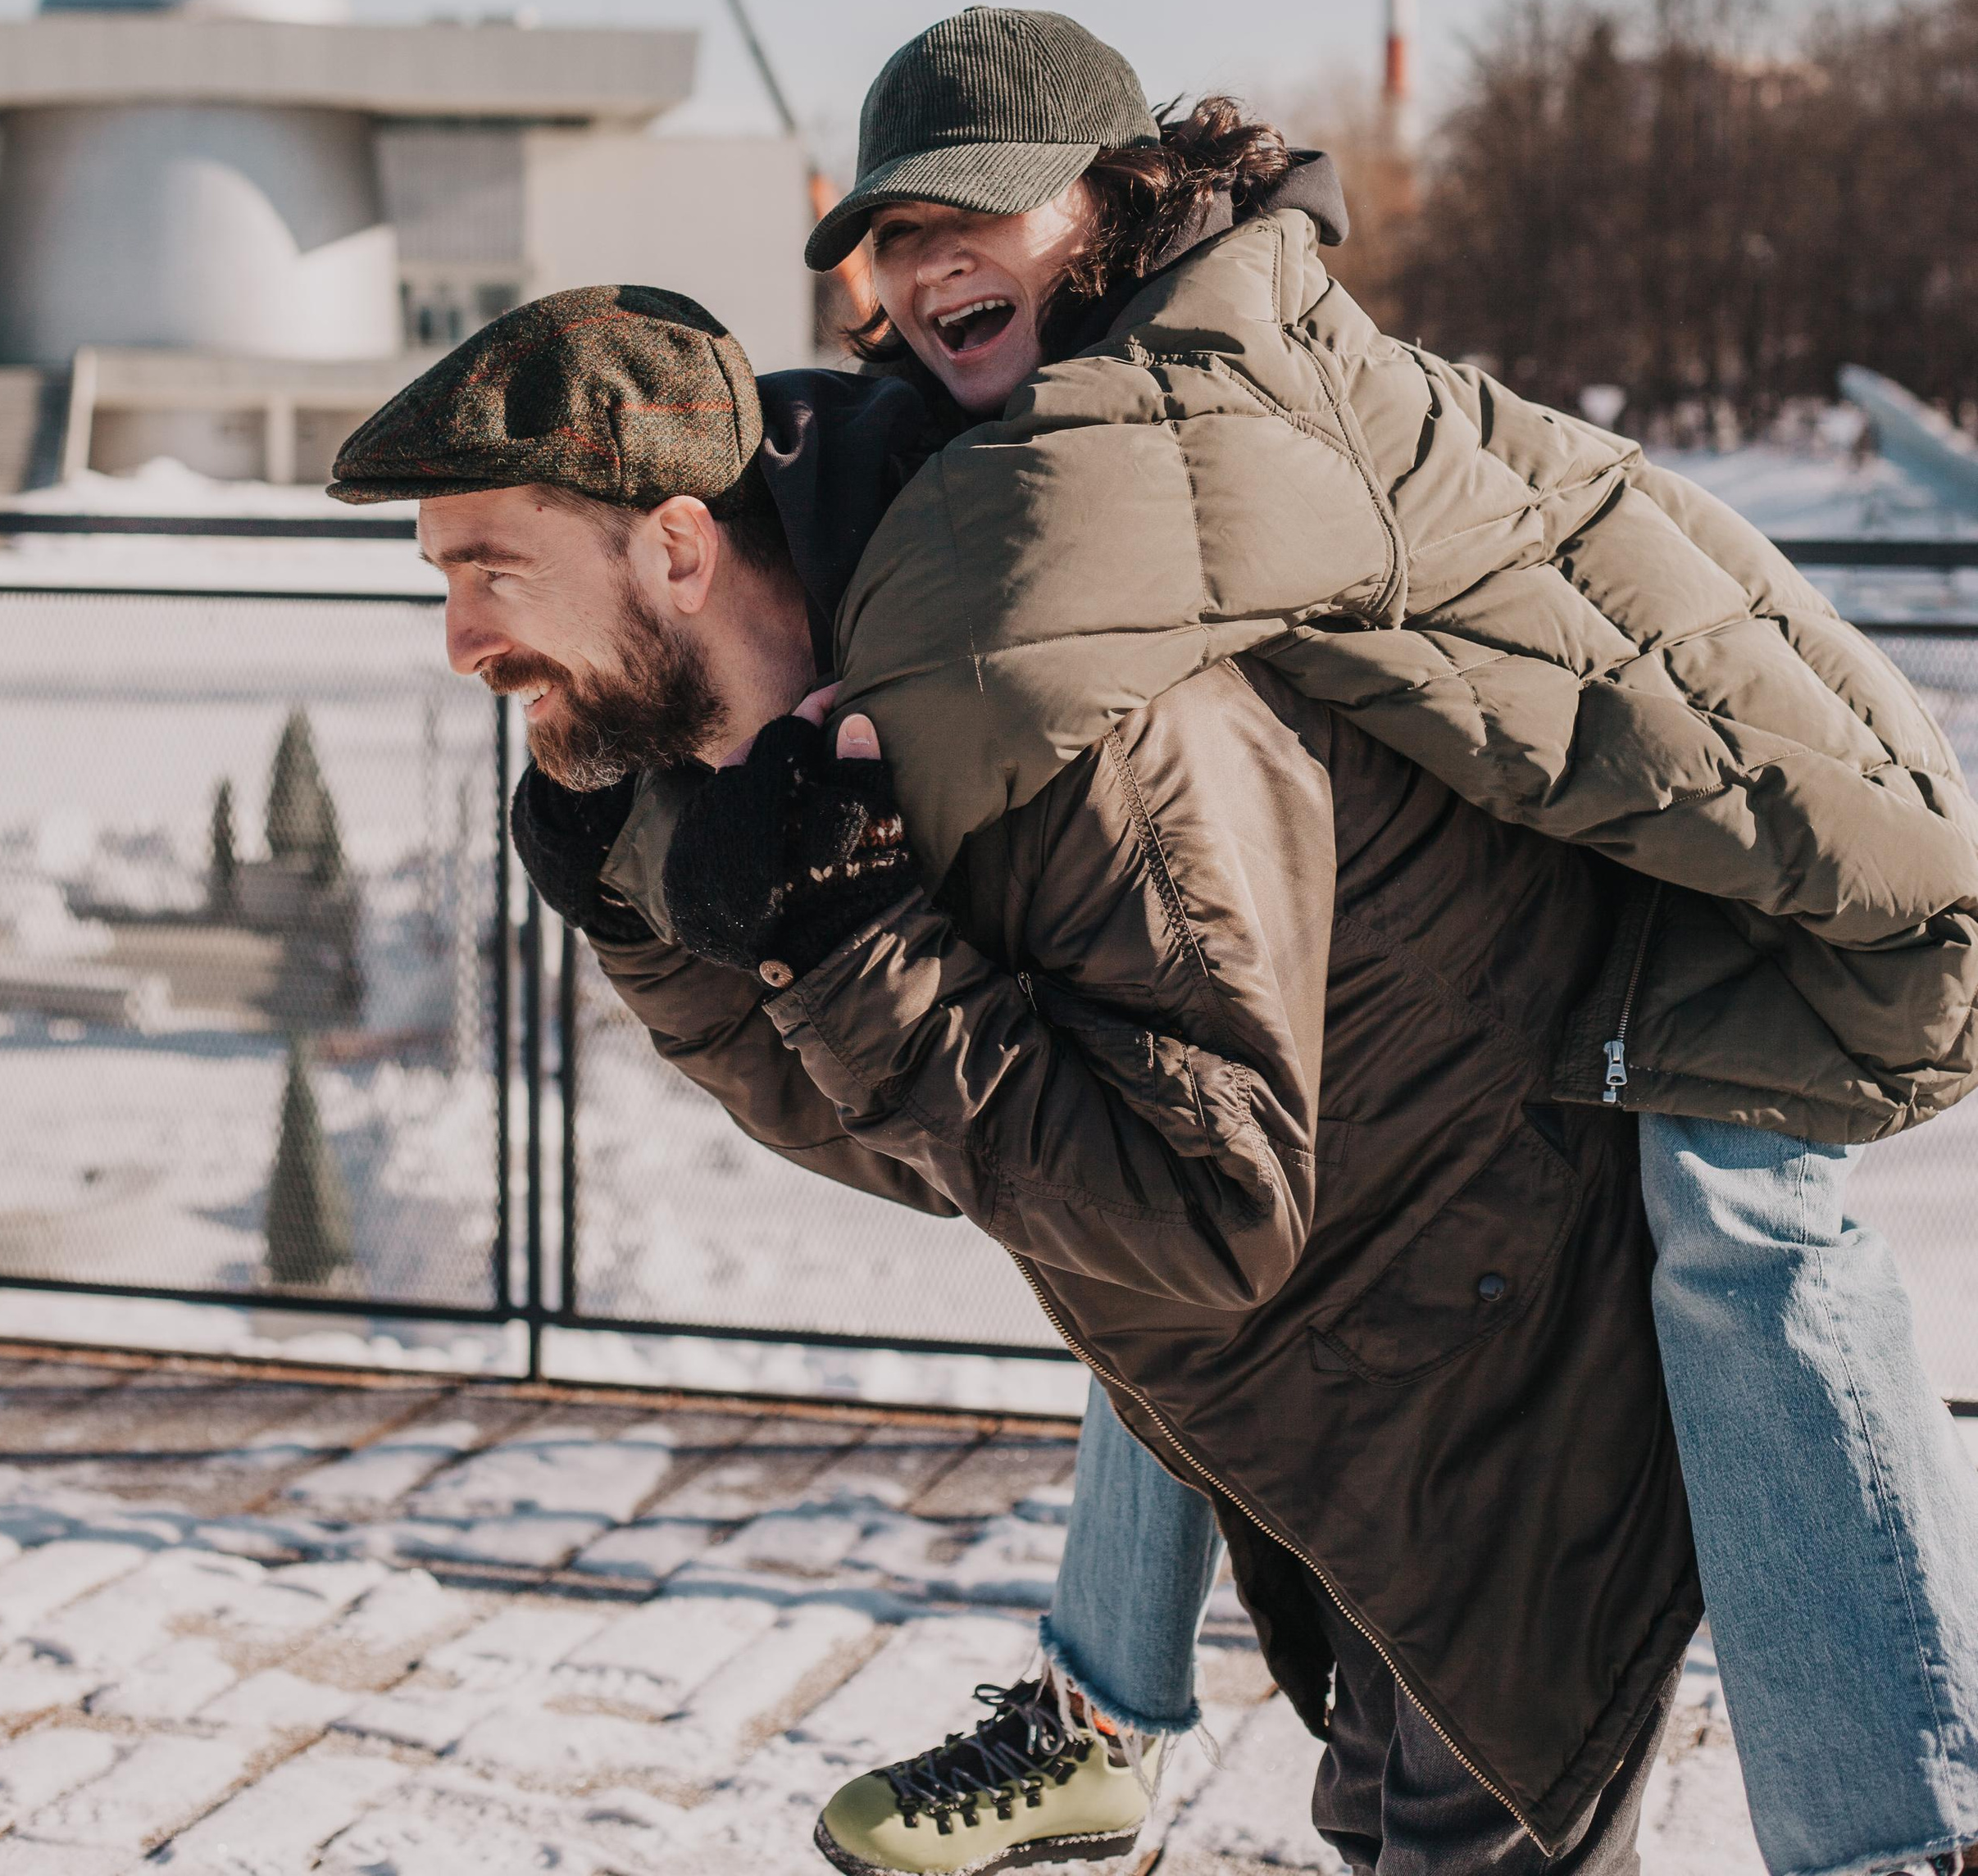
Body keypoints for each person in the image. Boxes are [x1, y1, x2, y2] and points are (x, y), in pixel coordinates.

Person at [791, 3, 1978, 1876]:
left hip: (1753, 867)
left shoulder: (1212, 374)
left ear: (1107, 204)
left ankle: (1903, 1829)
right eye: (891, 229)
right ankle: (1103, 1709)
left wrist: (711, 616)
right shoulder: (1091, 389)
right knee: (1148, 1137)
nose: (929, 257)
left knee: (1743, 1229)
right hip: (1569, 860)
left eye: (979, 210)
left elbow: (998, 581)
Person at [334, 285, 1699, 1876]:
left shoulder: (1045, 692)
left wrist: (848, 947)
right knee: (1382, 1812)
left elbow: (1199, 1208)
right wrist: (672, 929)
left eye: (490, 572)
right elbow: (936, 1147)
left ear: (681, 550)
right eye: (441, 581)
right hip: (1332, 1369)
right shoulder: (806, 730)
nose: (458, 643)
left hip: (1501, 1329)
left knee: (1466, 1833)